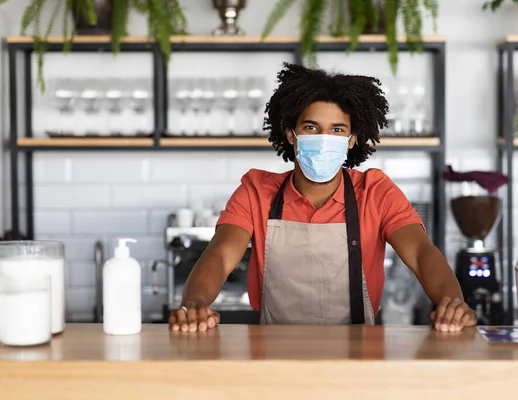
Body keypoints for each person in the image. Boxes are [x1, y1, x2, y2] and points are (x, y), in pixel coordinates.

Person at [169, 63, 476, 333]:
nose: (324, 139)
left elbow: (422, 254)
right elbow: (221, 255)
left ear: (352, 139)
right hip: (273, 354)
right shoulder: (256, 192)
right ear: (292, 134)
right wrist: (194, 303)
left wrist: (453, 303)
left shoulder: (376, 193)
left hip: (358, 357)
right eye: (312, 127)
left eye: (337, 129)